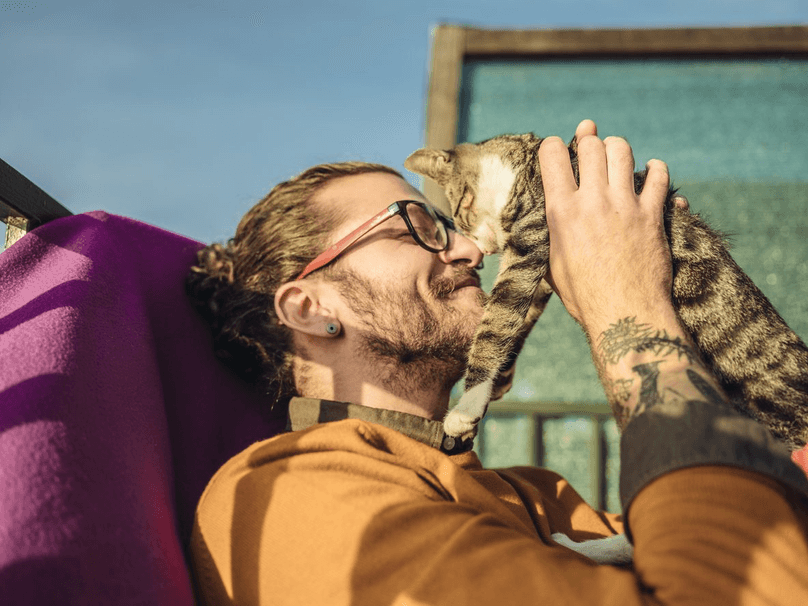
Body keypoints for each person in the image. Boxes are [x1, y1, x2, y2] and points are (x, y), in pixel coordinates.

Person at [186, 120, 808, 605]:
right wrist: (628, 298)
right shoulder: (292, 498)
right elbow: (742, 585)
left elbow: (759, 529)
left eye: (454, 222)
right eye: (417, 227)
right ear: (307, 307)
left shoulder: (537, 496)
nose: (473, 247)